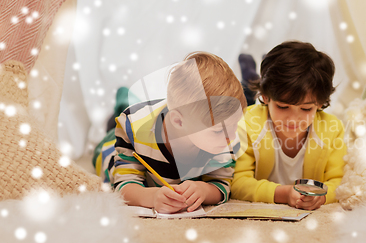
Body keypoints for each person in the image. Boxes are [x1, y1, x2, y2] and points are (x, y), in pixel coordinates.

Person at [94, 52, 247, 214]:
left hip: (159, 116)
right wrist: (152, 197)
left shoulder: (224, 135)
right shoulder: (132, 127)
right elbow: (123, 186)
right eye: (217, 131)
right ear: (179, 122)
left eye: (235, 125)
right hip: (115, 146)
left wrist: (204, 190)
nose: (231, 137)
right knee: (110, 134)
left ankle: (125, 99)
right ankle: (122, 99)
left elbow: (221, 185)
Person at [231, 41, 346, 210]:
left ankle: (252, 74)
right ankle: (249, 74)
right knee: (244, 95)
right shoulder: (246, 123)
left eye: (306, 109)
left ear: (320, 103)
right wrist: (283, 193)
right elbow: (237, 183)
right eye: (283, 107)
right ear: (265, 97)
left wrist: (322, 197)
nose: (293, 119)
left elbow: (339, 182)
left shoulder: (333, 128)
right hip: (256, 109)